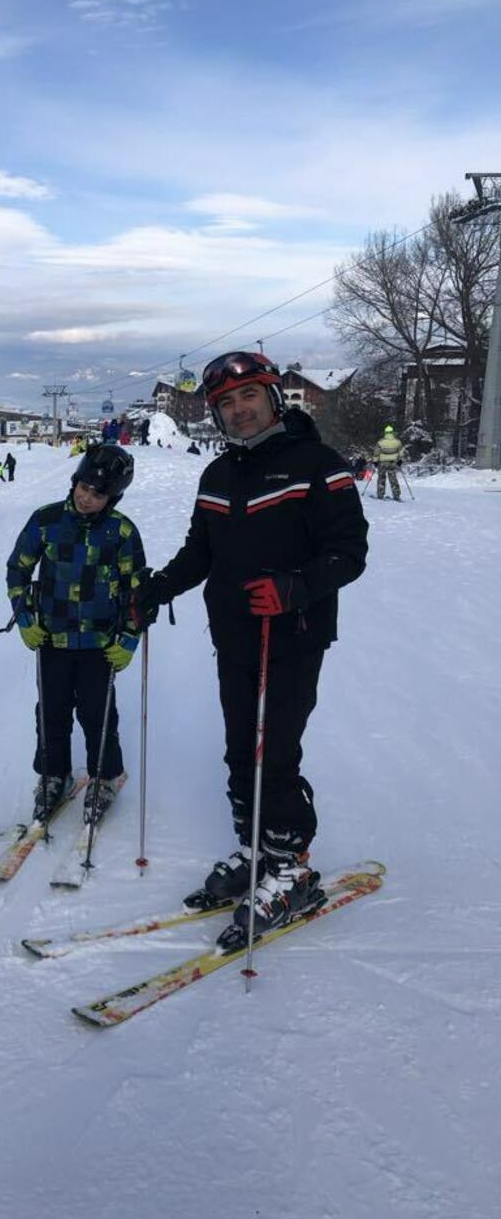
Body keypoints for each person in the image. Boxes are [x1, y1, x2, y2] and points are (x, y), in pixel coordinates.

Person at [134, 350, 368, 948]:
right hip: (235, 633)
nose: (239, 411)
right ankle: (258, 848)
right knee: (241, 747)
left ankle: (293, 867)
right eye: (227, 404)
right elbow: (199, 552)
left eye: (248, 398)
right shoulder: (217, 475)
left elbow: (348, 552)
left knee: (275, 749)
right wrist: (155, 589)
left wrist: (296, 588)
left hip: (291, 636)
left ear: (272, 398)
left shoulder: (317, 465)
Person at [6, 443, 145, 824]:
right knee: (51, 711)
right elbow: (17, 570)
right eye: (84, 487)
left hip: (100, 644)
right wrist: (24, 618)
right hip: (52, 639)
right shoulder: (46, 521)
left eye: (98, 494)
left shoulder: (121, 532)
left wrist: (130, 639)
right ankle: (54, 774)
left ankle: (103, 776)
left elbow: (138, 591)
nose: (87, 497)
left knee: (97, 714)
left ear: (112, 497)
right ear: (75, 480)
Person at [373, 425, 405, 500]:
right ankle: (396, 495)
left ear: (385, 432)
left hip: (382, 463)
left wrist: (375, 461)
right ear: (392, 432)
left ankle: (380, 494)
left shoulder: (381, 442)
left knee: (381, 478)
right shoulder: (397, 442)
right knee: (393, 479)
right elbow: (401, 452)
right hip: (392, 463)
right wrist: (400, 460)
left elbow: (376, 452)